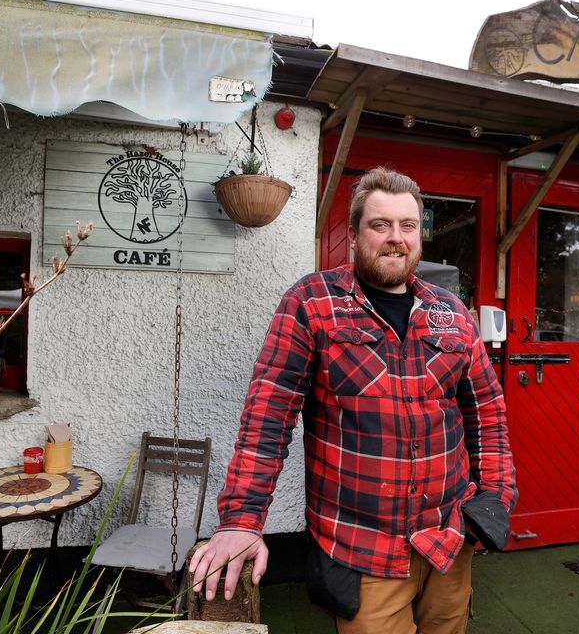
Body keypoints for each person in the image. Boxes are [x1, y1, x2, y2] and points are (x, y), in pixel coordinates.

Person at [189, 167, 517, 633]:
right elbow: (267, 420)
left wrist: (496, 497)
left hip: (449, 541)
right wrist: (241, 521)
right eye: (380, 225)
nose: (395, 238)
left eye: (408, 226)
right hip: (362, 547)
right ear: (354, 232)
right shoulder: (311, 303)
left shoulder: (452, 313)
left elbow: (487, 414)